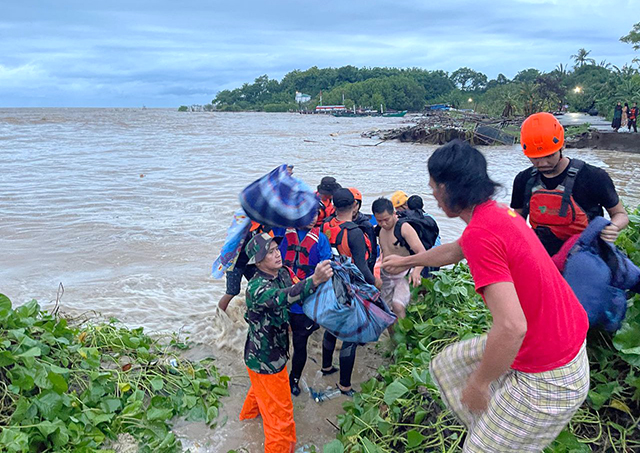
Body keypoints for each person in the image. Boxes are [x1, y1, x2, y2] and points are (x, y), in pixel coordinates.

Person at [383, 140, 589, 453]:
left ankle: (495, 438)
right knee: (446, 367)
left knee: (476, 444)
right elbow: (456, 250)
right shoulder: (496, 213)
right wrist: (407, 261)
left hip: (551, 373)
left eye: (434, 188)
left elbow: (511, 327)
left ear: (450, 189)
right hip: (559, 335)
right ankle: (499, 430)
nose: (433, 197)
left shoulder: (483, 233)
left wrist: (480, 384)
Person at [239, 233, 333, 453]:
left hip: (265, 353)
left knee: (259, 395)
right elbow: (285, 296)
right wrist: (315, 280)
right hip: (266, 360)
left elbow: (296, 290)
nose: (277, 254)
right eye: (270, 252)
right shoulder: (256, 288)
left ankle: (245, 424)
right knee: (281, 419)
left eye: (276, 249)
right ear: (258, 261)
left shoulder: (281, 273)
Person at [510, 112, 628, 256]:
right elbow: (517, 221)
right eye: (534, 158)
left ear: (562, 145)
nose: (542, 163)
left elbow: (620, 214)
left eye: (549, 155)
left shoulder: (594, 177)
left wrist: (613, 227)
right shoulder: (524, 180)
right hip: (543, 258)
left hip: (586, 257)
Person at [321, 188, 381, 397]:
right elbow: (363, 268)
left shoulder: (326, 224)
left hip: (329, 282)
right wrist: (374, 286)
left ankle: (326, 367)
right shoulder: (354, 232)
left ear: (335, 205)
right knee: (351, 335)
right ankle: (344, 386)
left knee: (331, 325)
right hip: (350, 287)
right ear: (355, 206)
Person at [275, 210, 332, 396]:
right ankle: (278, 376)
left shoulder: (321, 239)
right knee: (278, 342)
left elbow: (327, 268)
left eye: (316, 214)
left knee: (300, 345)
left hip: (303, 303)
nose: (314, 218)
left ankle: (294, 379)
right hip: (281, 299)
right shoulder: (282, 232)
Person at [372, 197, 425, 319]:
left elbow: (421, 252)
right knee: (385, 310)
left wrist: (417, 271)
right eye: (379, 221)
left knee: (397, 306)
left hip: (404, 274)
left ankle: (403, 336)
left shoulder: (404, 228)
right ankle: (393, 338)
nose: (383, 224)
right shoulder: (380, 230)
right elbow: (383, 253)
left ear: (394, 214)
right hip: (386, 275)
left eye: (386, 219)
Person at [218, 222, 271, 312]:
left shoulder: (264, 226)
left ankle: (252, 308)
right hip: (235, 263)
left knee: (257, 286)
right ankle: (219, 315)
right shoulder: (244, 225)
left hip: (250, 262)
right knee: (232, 292)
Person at [407, 194, 442, 278]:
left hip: (424, 259)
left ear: (408, 207)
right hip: (438, 254)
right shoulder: (430, 218)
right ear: (422, 205)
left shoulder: (409, 221)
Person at [349, 187, 378, 272]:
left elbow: (373, 252)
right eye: (350, 205)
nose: (353, 209)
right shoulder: (337, 222)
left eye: (355, 205)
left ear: (359, 206)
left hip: (362, 265)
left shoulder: (366, 225)